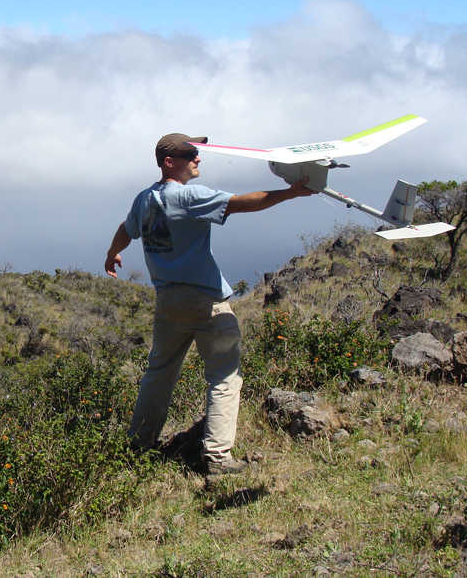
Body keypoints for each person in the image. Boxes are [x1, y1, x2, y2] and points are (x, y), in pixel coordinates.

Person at [104, 132, 315, 474]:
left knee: (158, 374)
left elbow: (126, 228)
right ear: (169, 162)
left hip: (168, 300)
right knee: (225, 375)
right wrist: (292, 193)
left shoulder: (143, 199)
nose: (198, 158)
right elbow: (244, 202)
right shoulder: (188, 196)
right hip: (205, 299)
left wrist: (112, 253)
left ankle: (138, 446)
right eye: (191, 153)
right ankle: (217, 457)